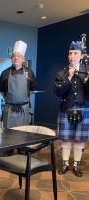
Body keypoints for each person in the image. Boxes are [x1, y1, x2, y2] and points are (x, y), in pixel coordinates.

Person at [54, 41, 89, 177]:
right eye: (70, 53)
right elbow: (58, 92)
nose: (72, 56)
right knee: (66, 139)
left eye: (75, 53)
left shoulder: (86, 73)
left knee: (79, 140)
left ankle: (76, 164)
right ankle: (65, 163)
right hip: (66, 109)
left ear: (81, 56)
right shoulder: (61, 74)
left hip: (82, 109)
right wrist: (68, 78)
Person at [0, 40, 37, 129]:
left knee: (23, 133)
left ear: (23, 59)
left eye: (18, 56)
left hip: (24, 109)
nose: (15, 58)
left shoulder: (29, 72)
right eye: (13, 56)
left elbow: (31, 89)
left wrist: (21, 98)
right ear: (11, 58)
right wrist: (9, 99)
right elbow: (0, 89)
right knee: (8, 134)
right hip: (9, 109)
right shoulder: (5, 73)